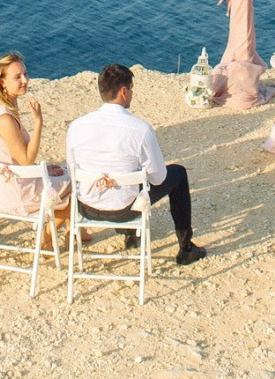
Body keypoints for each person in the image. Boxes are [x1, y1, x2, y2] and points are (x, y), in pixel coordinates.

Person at [65, 63, 206, 264]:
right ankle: (186, 248)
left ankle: (131, 234)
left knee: (124, 176)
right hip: (124, 210)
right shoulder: (140, 129)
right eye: (131, 89)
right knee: (178, 174)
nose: (131, 94)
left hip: (86, 206)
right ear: (123, 91)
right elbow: (159, 178)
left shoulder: (77, 126)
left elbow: (72, 170)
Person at [0, 51, 71, 225]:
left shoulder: (0, 110)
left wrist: (44, 172)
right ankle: (48, 241)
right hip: (15, 197)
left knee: (63, 172)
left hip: (7, 188)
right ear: (2, 82)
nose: (25, 81)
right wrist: (38, 122)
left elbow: (15, 159)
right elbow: (26, 160)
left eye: (26, 74)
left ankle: (70, 234)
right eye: (17, 77)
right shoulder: (4, 119)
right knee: (75, 180)